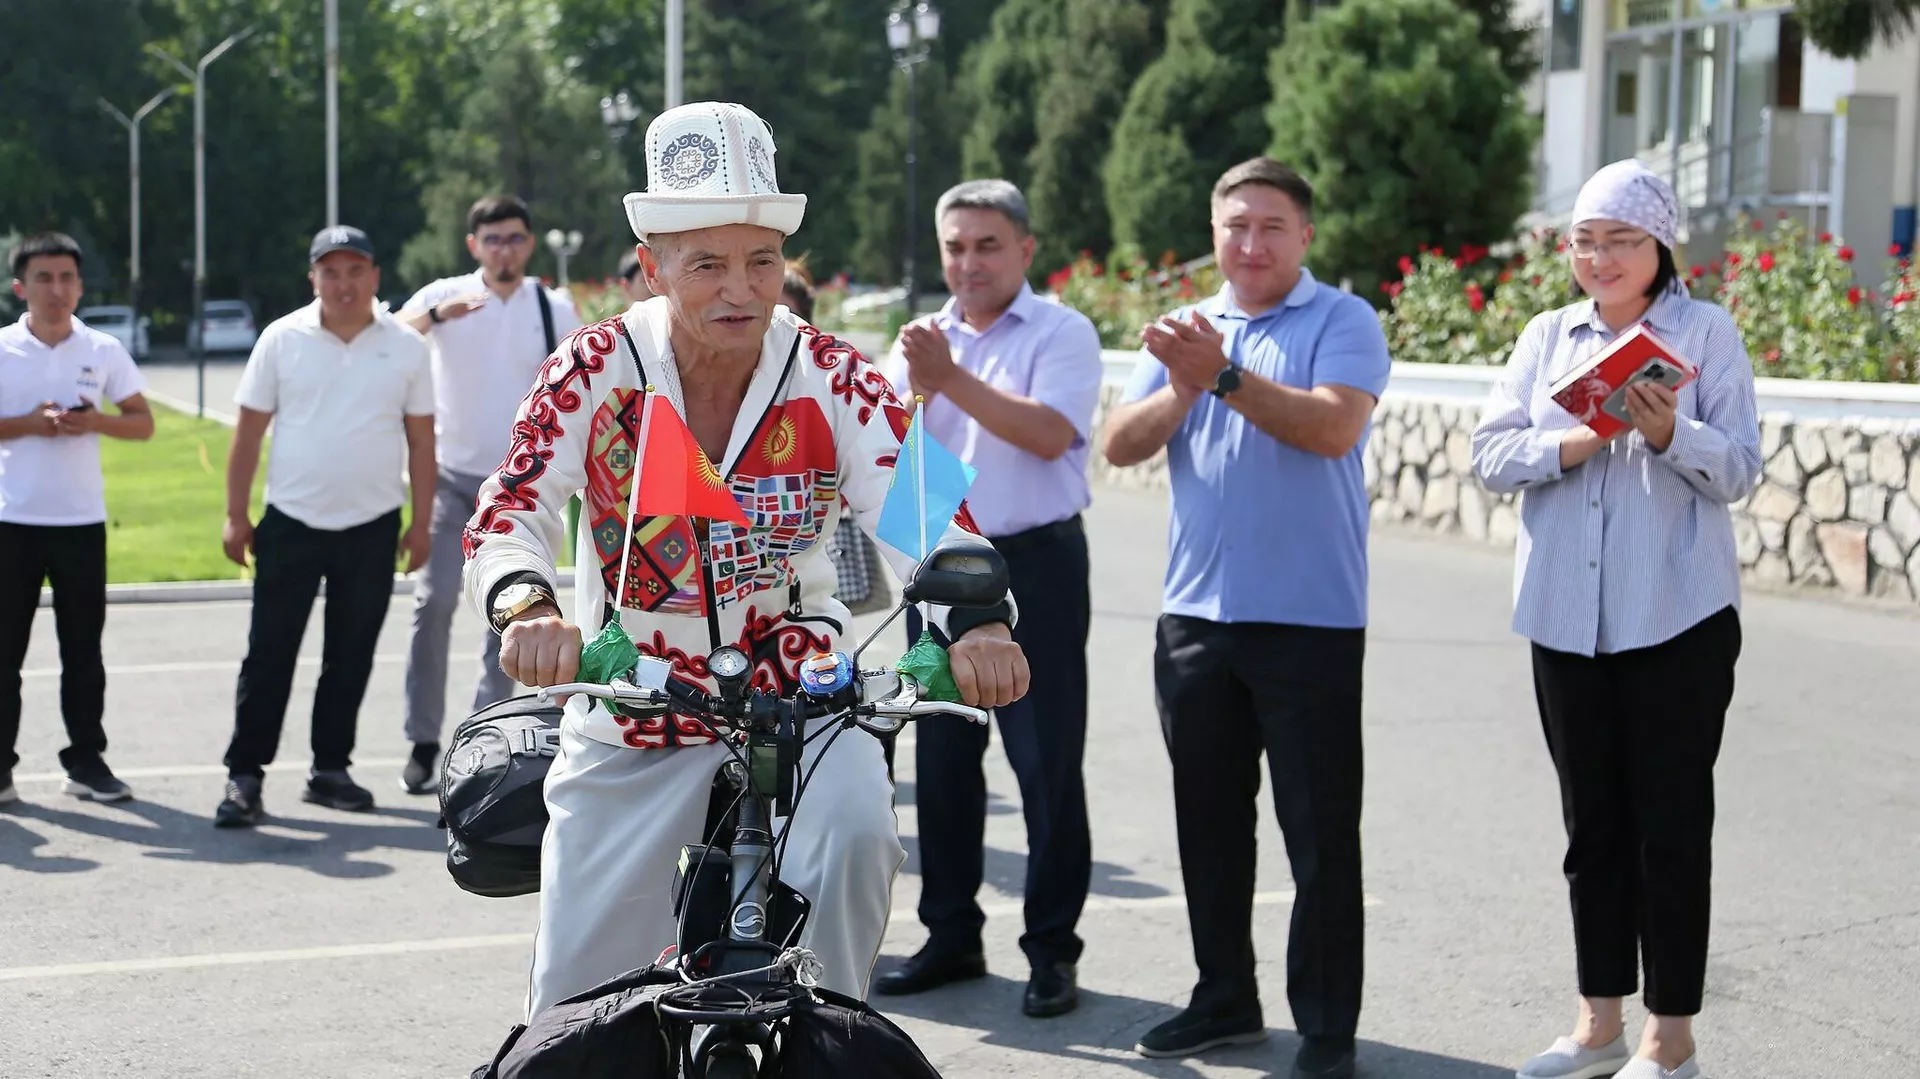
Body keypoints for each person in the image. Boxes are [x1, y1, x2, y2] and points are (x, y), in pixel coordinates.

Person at [460, 101, 1031, 1017]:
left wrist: (981, 621)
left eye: (761, 260)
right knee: (573, 1004)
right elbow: (511, 504)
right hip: (635, 708)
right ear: (653, 266)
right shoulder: (595, 366)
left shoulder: (834, 373)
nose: (741, 289)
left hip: (806, 707)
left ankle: (826, 1038)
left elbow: (930, 509)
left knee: (859, 841)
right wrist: (527, 607)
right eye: (707, 264)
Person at [1102, 158, 1390, 1079]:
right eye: (1236, 225)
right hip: (1195, 617)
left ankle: (1327, 1028)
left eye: (1272, 226)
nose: (1252, 243)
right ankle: (1224, 994)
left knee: (1320, 834)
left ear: (1305, 235)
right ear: (1214, 233)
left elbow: (1332, 428)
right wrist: (1185, 384)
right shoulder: (1189, 330)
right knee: (1210, 824)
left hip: (1309, 621)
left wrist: (1221, 376)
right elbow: (1119, 443)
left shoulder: (1342, 320)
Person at [1472, 160, 1760, 1079]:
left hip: (1678, 614)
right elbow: (1490, 454)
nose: (1599, 258)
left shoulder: (1706, 333)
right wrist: (1579, 438)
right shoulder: (1545, 336)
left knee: (1668, 828)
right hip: (1565, 616)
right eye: (1584, 241)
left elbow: (1740, 468)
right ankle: (1598, 1024)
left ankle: (1670, 1041)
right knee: (1590, 827)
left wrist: (1671, 432)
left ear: (1661, 245)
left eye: (1621, 240)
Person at [874, 178, 1102, 1019]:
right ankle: (951, 933)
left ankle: (1051, 948)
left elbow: (1048, 434)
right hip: (943, 569)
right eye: (955, 246)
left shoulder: (1061, 331)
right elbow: (891, 459)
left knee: (1045, 764)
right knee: (941, 763)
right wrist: (922, 384)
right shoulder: (918, 342)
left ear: (1026, 249)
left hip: (1035, 563)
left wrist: (949, 378)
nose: (969, 263)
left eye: (988, 245)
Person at [213, 225, 435, 827]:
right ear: (313, 278)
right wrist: (235, 515)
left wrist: (420, 525)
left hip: (372, 526)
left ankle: (330, 771)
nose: (344, 284)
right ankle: (245, 775)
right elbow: (248, 434)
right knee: (269, 654)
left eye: (355, 270)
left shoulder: (406, 346)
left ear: (375, 275)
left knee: (351, 655)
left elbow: (421, 442)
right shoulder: (281, 338)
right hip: (291, 523)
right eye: (330, 272)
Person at [394, 196, 581, 795]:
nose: (505, 249)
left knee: (511, 615)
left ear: (529, 244)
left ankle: (480, 739)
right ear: (474, 245)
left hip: (522, 488)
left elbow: (584, 378)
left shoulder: (551, 306)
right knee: (434, 605)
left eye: (515, 238)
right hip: (452, 480)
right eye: (493, 239)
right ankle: (422, 741)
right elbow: (386, 341)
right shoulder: (443, 297)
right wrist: (435, 317)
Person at [0, 232, 154, 806]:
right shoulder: (4, 349)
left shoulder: (103, 349)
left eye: (66, 278)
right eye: (43, 278)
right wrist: (27, 424)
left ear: (80, 286)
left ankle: (86, 763)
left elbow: (142, 423)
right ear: (21, 287)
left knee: (83, 653)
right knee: (5, 652)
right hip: (11, 520)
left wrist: (95, 422)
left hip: (80, 523)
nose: (56, 289)